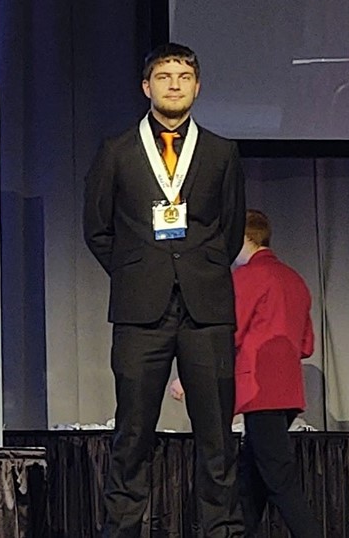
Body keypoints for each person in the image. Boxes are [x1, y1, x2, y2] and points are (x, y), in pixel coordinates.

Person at [83, 43, 246, 538]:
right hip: (140, 310)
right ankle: (123, 529)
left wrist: (203, 267)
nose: (173, 84)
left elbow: (232, 226)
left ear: (197, 87)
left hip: (207, 308)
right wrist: (135, 271)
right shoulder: (117, 150)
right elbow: (97, 228)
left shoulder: (221, 151)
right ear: (146, 87)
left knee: (216, 435)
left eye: (183, 76)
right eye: (163, 75)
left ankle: (220, 530)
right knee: (132, 433)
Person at [226, 210, 321, 537]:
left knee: (278, 479)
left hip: (260, 391)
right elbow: (306, 345)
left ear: (245, 239)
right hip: (288, 393)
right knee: (254, 480)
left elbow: (231, 331)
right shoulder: (296, 279)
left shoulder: (248, 277)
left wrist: (190, 377)